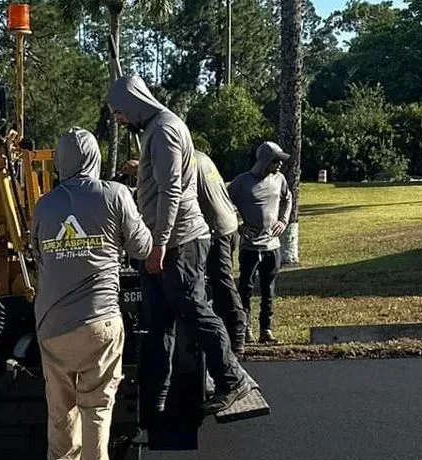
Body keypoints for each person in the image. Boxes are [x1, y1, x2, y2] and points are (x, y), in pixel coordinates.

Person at [104, 74, 265, 425]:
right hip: (161, 243)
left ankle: (233, 380)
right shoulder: (155, 130)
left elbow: (170, 192)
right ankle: (154, 403)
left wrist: (159, 244)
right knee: (157, 322)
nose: (118, 120)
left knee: (193, 309)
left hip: (179, 243)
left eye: (118, 113)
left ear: (132, 103)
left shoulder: (163, 130)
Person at [30, 128, 152, 460]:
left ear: (60, 163)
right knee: (96, 406)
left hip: (51, 325)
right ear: (94, 159)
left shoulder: (44, 206)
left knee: (59, 404)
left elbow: (37, 255)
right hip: (99, 320)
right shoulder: (114, 195)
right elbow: (142, 247)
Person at [228, 141, 293, 343]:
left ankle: (266, 329)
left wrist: (283, 220)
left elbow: (288, 199)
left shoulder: (279, 179)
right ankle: (246, 330)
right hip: (249, 246)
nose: (279, 165)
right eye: (276, 161)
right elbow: (224, 204)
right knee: (245, 289)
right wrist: (239, 223)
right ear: (264, 160)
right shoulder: (241, 182)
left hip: (272, 246)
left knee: (268, 290)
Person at [194, 148, 246, 354]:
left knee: (221, 280)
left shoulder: (185, 162)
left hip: (216, 229)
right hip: (228, 224)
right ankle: (226, 329)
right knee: (218, 281)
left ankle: (238, 331)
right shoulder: (201, 157)